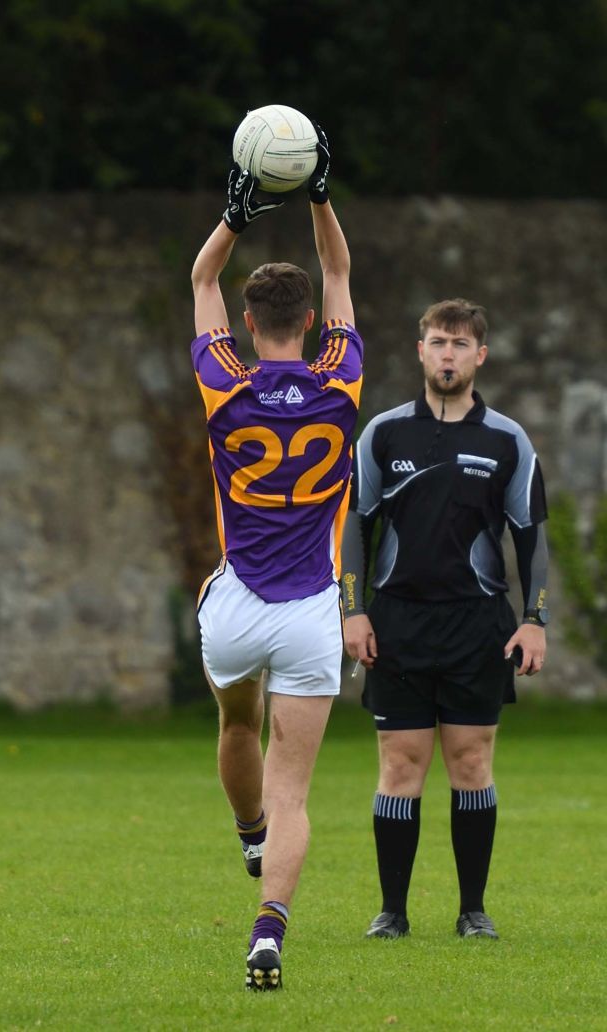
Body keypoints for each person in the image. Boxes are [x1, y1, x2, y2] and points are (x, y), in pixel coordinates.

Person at [190, 127, 360, 990]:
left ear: (251, 324)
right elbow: (340, 275)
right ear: (313, 325)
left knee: (233, 723)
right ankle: (268, 931)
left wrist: (234, 213)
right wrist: (319, 193)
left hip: (236, 607)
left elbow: (200, 278)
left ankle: (247, 833)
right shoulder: (341, 381)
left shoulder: (224, 382)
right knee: (298, 789)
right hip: (309, 612)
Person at [341, 299, 549, 942]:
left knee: (470, 762)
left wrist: (534, 616)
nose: (449, 354)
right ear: (421, 351)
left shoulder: (507, 440)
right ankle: (392, 912)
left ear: (479, 356)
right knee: (400, 764)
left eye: (461, 344)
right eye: (438, 342)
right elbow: (354, 527)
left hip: (477, 624)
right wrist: (352, 610)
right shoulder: (382, 434)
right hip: (396, 622)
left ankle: (473, 911)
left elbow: (532, 536)